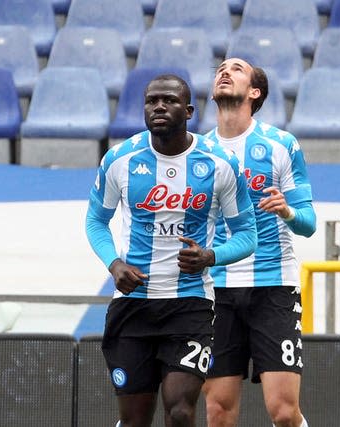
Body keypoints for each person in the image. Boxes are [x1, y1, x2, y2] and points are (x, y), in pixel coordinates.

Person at [85, 74, 257, 427]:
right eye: (152, 101)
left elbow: (247, 235)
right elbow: (95, 222)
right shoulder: (120, 159)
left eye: (170, 100)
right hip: (132, 306)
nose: (159, 106)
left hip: (190, 306)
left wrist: (212, 257)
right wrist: (114, 264)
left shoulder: (220, 163)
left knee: (179, 410)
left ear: (189, 110)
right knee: (134, 420)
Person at [201, 58, 316, 427]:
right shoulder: (198, 151)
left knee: (283, 412)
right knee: (218, 413)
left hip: (273, 287)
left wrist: (286, 212)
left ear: (254, 92)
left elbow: (309, 223)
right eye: (220, 67)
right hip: (217, 289)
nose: (224, 71)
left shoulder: (281, 145)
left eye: (236, 68)